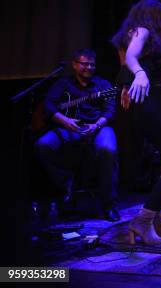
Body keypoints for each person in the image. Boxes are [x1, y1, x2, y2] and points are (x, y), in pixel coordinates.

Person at [112, 0, 161, 244]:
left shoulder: (133, 32)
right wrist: (141, 74)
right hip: (150, 99)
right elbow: (131, 60)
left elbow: (126, 64)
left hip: (151, 100)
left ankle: (150, 220)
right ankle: (144, 221)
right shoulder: (143, 30)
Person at [34, 48, 120, 222]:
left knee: (108, 150)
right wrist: (65, 121)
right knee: (43, 145)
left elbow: (110, 110)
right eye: (84, 64)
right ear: (74, 65)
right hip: (68, 127)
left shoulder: (103, 85)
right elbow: (49, 105)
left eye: (92, 64)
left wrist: (96, 125)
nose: (88, 67)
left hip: (97, 127)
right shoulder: (63, 84)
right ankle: (64, 182)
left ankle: (108, 204)